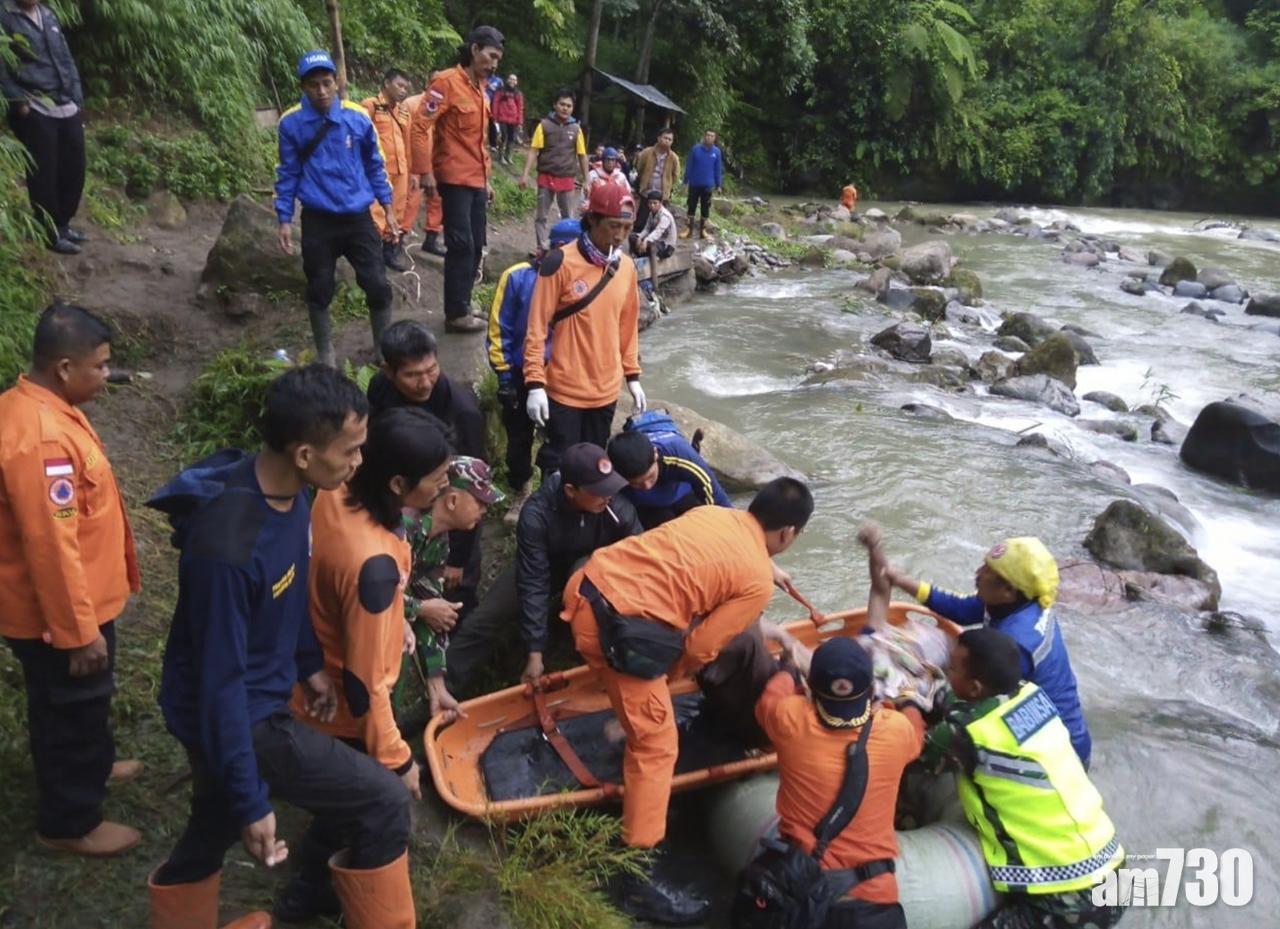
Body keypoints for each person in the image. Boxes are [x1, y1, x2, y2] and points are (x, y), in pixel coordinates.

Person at [146, 366, 415, 929]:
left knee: (211, 821)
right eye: (351, 451)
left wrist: (308, 663)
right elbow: (220, 687)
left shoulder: (292, 496)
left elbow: (287, 585)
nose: (359, 463)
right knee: (382, 801)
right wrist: (255, 800)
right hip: (242, 714)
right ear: (303, 454)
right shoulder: (228, 549)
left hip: (258, 692)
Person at [559, 477, 811, 923]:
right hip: (613, 631)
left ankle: (626, 709)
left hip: (585, 586)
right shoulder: (756, 580)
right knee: (657, 747)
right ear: (789, 533)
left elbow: (697, 563)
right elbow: (701, 650)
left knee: (641, 694)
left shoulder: (713, 513)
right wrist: (659, 683)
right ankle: (634, 874)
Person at [282, 406, 451, 921]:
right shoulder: (371, 566)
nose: (444, 489)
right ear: (398, 483)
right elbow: (364, 685)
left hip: (317, 651)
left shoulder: (338, 490)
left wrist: (396, 613)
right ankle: (308, 895)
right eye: (439, 480)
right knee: (360, 805)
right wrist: (398, 759)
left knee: (345, 802)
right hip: (341, 701)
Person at [0, 303, 141, 857]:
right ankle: (69, 821)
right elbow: (51, 546)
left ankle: (95, 765)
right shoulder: (42, 440)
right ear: (63, 367)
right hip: (58, 617)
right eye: (100, 367)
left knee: (84, 702)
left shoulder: (40, 405)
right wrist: (78, 632)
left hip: (81, 602)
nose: (106, 376)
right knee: (70, 708)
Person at [743, 523, 927, 929]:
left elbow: (773, 691)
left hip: (799, 885)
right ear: (869, 691)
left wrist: (792, 661)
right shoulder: (896, 729)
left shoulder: (790, 718)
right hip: (872, 899)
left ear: (813, 686)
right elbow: (914, 719)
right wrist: (908, 697)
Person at [921, 628, 1125, 929]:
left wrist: (910, 705)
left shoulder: (966, 734)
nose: (948, 673)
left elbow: (913, 753)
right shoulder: (1031, 693)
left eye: (952, 669)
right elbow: (965, 704)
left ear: (976, 688)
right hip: (1113, 866)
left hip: (1070, 895)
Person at [444, 442, 641, 695]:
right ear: (571, 490)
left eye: (611, 487)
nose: (608, 496)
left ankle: (606, 663)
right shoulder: (537, 514)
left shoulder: (618, 510)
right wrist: (535, 651)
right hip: (543, 564)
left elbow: (640, 558)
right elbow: (533, 580)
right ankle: (442, 689)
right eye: (599, 491)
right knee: (488, 616)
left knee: (587, 581)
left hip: (593, 567)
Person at [881, 536, 1092, 767]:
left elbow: (976, 703)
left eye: (987, 570)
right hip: (1044, 722)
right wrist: (900, 581)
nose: (978, 572)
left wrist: (912, 701)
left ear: (1008, 590)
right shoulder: (1017, 601)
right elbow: (961, 610)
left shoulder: (1015, 644)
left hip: (1056, 754)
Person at [275, 50, 396, 368]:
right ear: (304, 87)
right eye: (314, 85)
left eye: (327, 83)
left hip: (358, 218)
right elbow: (287, 173)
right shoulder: (291, 123)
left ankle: (384, 351)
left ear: (337, 81)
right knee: (319, 287)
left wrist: (388, 208)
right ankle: (326, 356)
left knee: (377, 285)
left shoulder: (357, 116)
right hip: (318, 220)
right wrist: (284, 218)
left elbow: (375, 165)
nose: (322, 91)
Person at [522, 183, 645, 474]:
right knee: (561, 466)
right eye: (613, 226)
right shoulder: (560, 262)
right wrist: (535, 383)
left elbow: (627, 326)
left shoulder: (625, 268)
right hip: (565, 389)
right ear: (592, 219)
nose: (619, 235)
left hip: (606, 390)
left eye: (627, 228)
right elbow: (536, 328)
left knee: (594, 466)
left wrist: (632, 375)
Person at [366, 320, 487, 614]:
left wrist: (458, 558)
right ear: (388, 371)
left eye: (431, 370)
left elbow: (471, 487)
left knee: (456, 591)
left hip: (447, 513)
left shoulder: (462, 410)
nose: (425, 383)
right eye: (412, 375)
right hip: (399, 502)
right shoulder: (380, 391)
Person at [485, 217, 582, 527]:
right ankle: (521, 489)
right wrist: (503, 375)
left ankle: (552, 491)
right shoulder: (517, 277)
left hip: (563, 375)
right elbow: (501, 328)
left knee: (560, 438)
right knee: (519, 437)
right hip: (521, 371)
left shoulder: (584, 279)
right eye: (560, 248)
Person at [411, 26, 506, 334]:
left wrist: (487, 180)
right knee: (461, 244)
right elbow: (420, 126)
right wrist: (425, 171)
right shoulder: (446, 82)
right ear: (475, 49)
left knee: (477, 245)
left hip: (477, 179)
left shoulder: (482, 88)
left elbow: (480, 142)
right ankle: (454, 313)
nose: (493, 64)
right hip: (453, 178)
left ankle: (463, 304)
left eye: (498, 60)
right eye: (490, 56)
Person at [402, 455, 503, 721]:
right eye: (481, 502)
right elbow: (367, 592)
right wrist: (420, 609)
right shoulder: (403, 529)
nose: (485, 512)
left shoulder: (439, 541)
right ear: (453, 500)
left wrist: (436, 684)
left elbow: (432, 608)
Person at [1, 0, 87, 254]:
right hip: (35, 106)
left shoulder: (48, 15)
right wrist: (19, 102)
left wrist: (76, 94)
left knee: (74, 166)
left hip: (64, 101)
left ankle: (63, 224)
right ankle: (48, 232)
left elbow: (66, 56)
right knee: (44, 173)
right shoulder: (4, 17)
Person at [606, 415, 731, 529]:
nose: (647, 486)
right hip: (647, 506)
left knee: (700, 523)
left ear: (655, 454)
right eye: (637, 483)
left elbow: (714, 494)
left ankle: (694, 448)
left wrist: (731, 525)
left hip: (681, 491)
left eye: (650, 477)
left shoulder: (680, 454)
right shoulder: (613, 474)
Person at [519, 88, 590, 253]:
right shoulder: (544, 125)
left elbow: (582, 155)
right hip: (546, 176)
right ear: (555, 105)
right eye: (562, 104)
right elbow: (533, 150)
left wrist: (587, 180)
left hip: (566, 178)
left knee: (568, 218)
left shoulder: (576, 129)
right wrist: (524, 175)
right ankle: (541, 247)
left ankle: (568, 249)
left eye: (569, 106)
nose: (565, 108)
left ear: (572, 108)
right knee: (541, 216)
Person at [362, 68, 415, 273]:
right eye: (399, 85)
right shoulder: (370, 106)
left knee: (398, 210)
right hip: (379, 171)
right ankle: (371, 253)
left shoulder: (403, 111)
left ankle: (390, 252)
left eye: (406, 88)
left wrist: (412, 172)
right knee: (377, 211)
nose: (403, 91)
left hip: (401, 170)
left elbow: (407, 142)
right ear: (386, 83)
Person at [404, 75, 447, 257]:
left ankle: (431, 238)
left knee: (437, 199)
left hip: (435, 160)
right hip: (412, 161)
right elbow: (406, 134)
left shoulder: (444, 106)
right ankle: (397, 239)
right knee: (409, 199)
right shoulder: (411, 104)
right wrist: (414, 166)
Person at [631, 128, 680, 233]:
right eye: (665, 138)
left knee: (660, 222)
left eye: (670, 139)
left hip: (662, 195)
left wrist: (668, 184)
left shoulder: (673, 158)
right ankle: (636, 242)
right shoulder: (647, 152)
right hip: (646, 192)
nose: (667, 141)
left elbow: (675, 175)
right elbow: (639, 167)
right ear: (659, 138)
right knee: (641, 220)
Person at [629, 189, 678, 293]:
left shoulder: (665, 216)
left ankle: (654, 284)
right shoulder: (651, 213)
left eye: (655, 203)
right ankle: (636, 259)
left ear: (660, 203)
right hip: (655, 240)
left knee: (651, 247)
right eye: (650, 203)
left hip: (667, 246)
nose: (652, 205)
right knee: (632, 237)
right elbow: (646, 229)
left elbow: (658, 232)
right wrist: (639, 238)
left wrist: (645, 240)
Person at [681, 129, 723, 239]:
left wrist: (719, 185)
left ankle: (702, 231)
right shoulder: (695, 149)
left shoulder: (717, 152)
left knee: (705, 208)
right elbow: (689, 166)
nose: (709, 137)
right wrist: (685, 182)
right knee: (691, 206)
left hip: (708, 185)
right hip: (694, 183)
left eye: (712, 136)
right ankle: (688, 230)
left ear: (715, 138)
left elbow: (717, 169)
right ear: (704, 136)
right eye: (707, 135)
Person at [491, 73, 524, 164]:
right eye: (511, 79)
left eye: (514, 79)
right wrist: (494, 117)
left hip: (513, 119)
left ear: (516, 82)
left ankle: (508, 156)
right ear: (507, 80)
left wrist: (520, 121)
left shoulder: (518, 93)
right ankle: (501, 156)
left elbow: (520, 107)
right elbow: (495, 103)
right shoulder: (500, 91)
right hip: (502, 118)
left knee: (511, 138)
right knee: (503, 137)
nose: (512, 81)